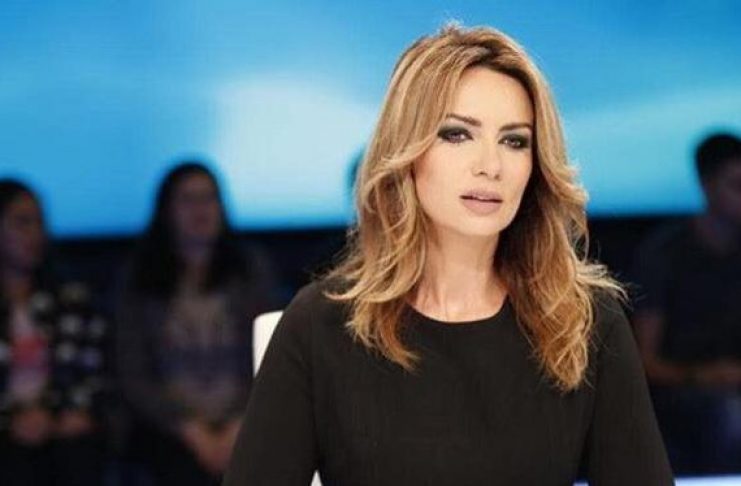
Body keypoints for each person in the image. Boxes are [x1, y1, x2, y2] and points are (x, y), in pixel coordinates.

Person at [223, 25, 673, 485]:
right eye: (457, 135)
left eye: (514, 141)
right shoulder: (321, 325)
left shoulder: (583, 323)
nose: (490, 166)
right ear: (407, 151)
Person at [115, 161, 277, 486]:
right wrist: (187, 427)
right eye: (188, 200)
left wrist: (241, 422)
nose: (200, 210)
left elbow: (274, 356)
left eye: (209, 198)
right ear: (167, 211)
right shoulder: (139, 279)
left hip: (246, 419)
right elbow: (132, 373)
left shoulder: (250, 271)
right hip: (167, 429)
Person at [631, 132, 741, 474]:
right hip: (681, 394)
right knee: (728, 415)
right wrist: (702, 376)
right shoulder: (663, 256)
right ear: (707, 186)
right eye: (737, 186)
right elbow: (644, 363)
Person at [0, 179, 107, 486]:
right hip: (8, 432)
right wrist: (11, 420)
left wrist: (61, 413)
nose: (34, 234)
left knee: (77, 451)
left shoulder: (72, 300)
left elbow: (94, 373)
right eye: (22, 223)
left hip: (62, 426)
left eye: (39, 222)